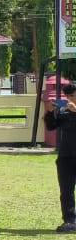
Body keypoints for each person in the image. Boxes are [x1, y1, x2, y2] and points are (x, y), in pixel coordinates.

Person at [43, 82, 76, 232]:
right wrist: (50, 112)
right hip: (66, 156)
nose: (70, 99)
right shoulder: (64, 111)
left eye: (73, 96)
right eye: (68, 96)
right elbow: (51, 126)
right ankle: (69, 220)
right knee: (66, 189)